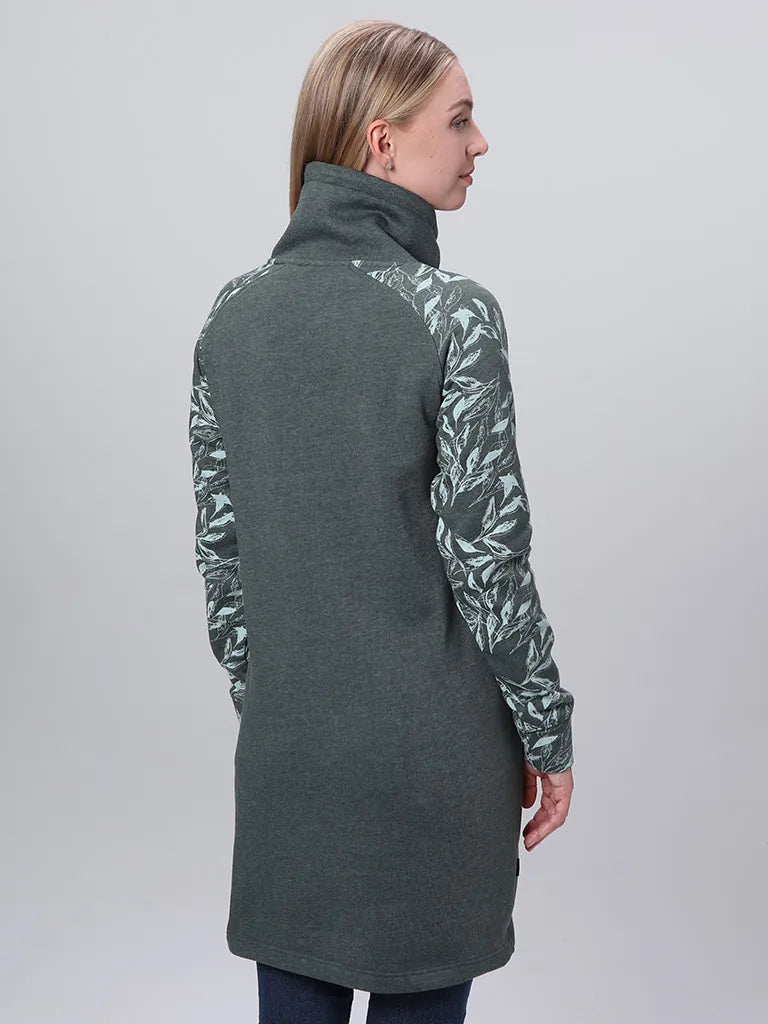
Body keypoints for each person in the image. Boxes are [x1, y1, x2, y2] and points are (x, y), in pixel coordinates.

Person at [188, 19, 575, 1024]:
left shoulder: (231, 314)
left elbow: (224, 567)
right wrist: (547, 730)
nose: (480, 142)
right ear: (382, 142)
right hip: (433, 765)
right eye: (460, 119)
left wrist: (289, 713)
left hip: (290, 763)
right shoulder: (452, 314)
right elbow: (488, 558)